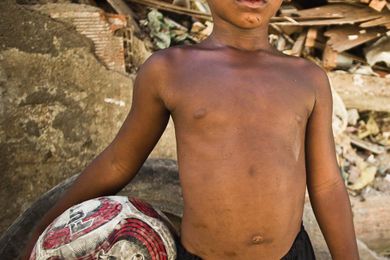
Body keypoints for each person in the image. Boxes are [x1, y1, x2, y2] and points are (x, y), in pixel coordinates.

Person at [22, 0, 360, 259]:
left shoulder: (307, 78)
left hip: (291, 253)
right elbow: (118, 163)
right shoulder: (170, 70)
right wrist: (42, 226)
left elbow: (327, 184)